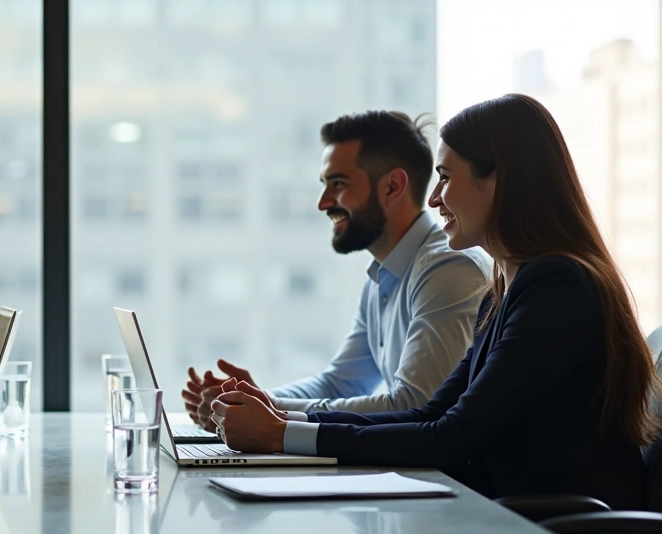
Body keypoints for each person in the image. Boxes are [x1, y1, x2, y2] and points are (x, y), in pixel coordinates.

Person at [210, 94, 660, 508]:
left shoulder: (557, 286)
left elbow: (450, 437)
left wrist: (283, 434)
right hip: (512, 529)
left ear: (498, 180)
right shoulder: (504, 292)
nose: (434, 197)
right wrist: (284, 422)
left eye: (446, 178)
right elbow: (430, 414)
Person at [183, 111, 491, 427]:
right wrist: (251, 401)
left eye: (338, 183)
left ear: (392, 187)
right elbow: (339, 383)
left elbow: (415, 405)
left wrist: (270, 409)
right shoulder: (382, 278)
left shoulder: (446, 270)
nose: (323, 202)